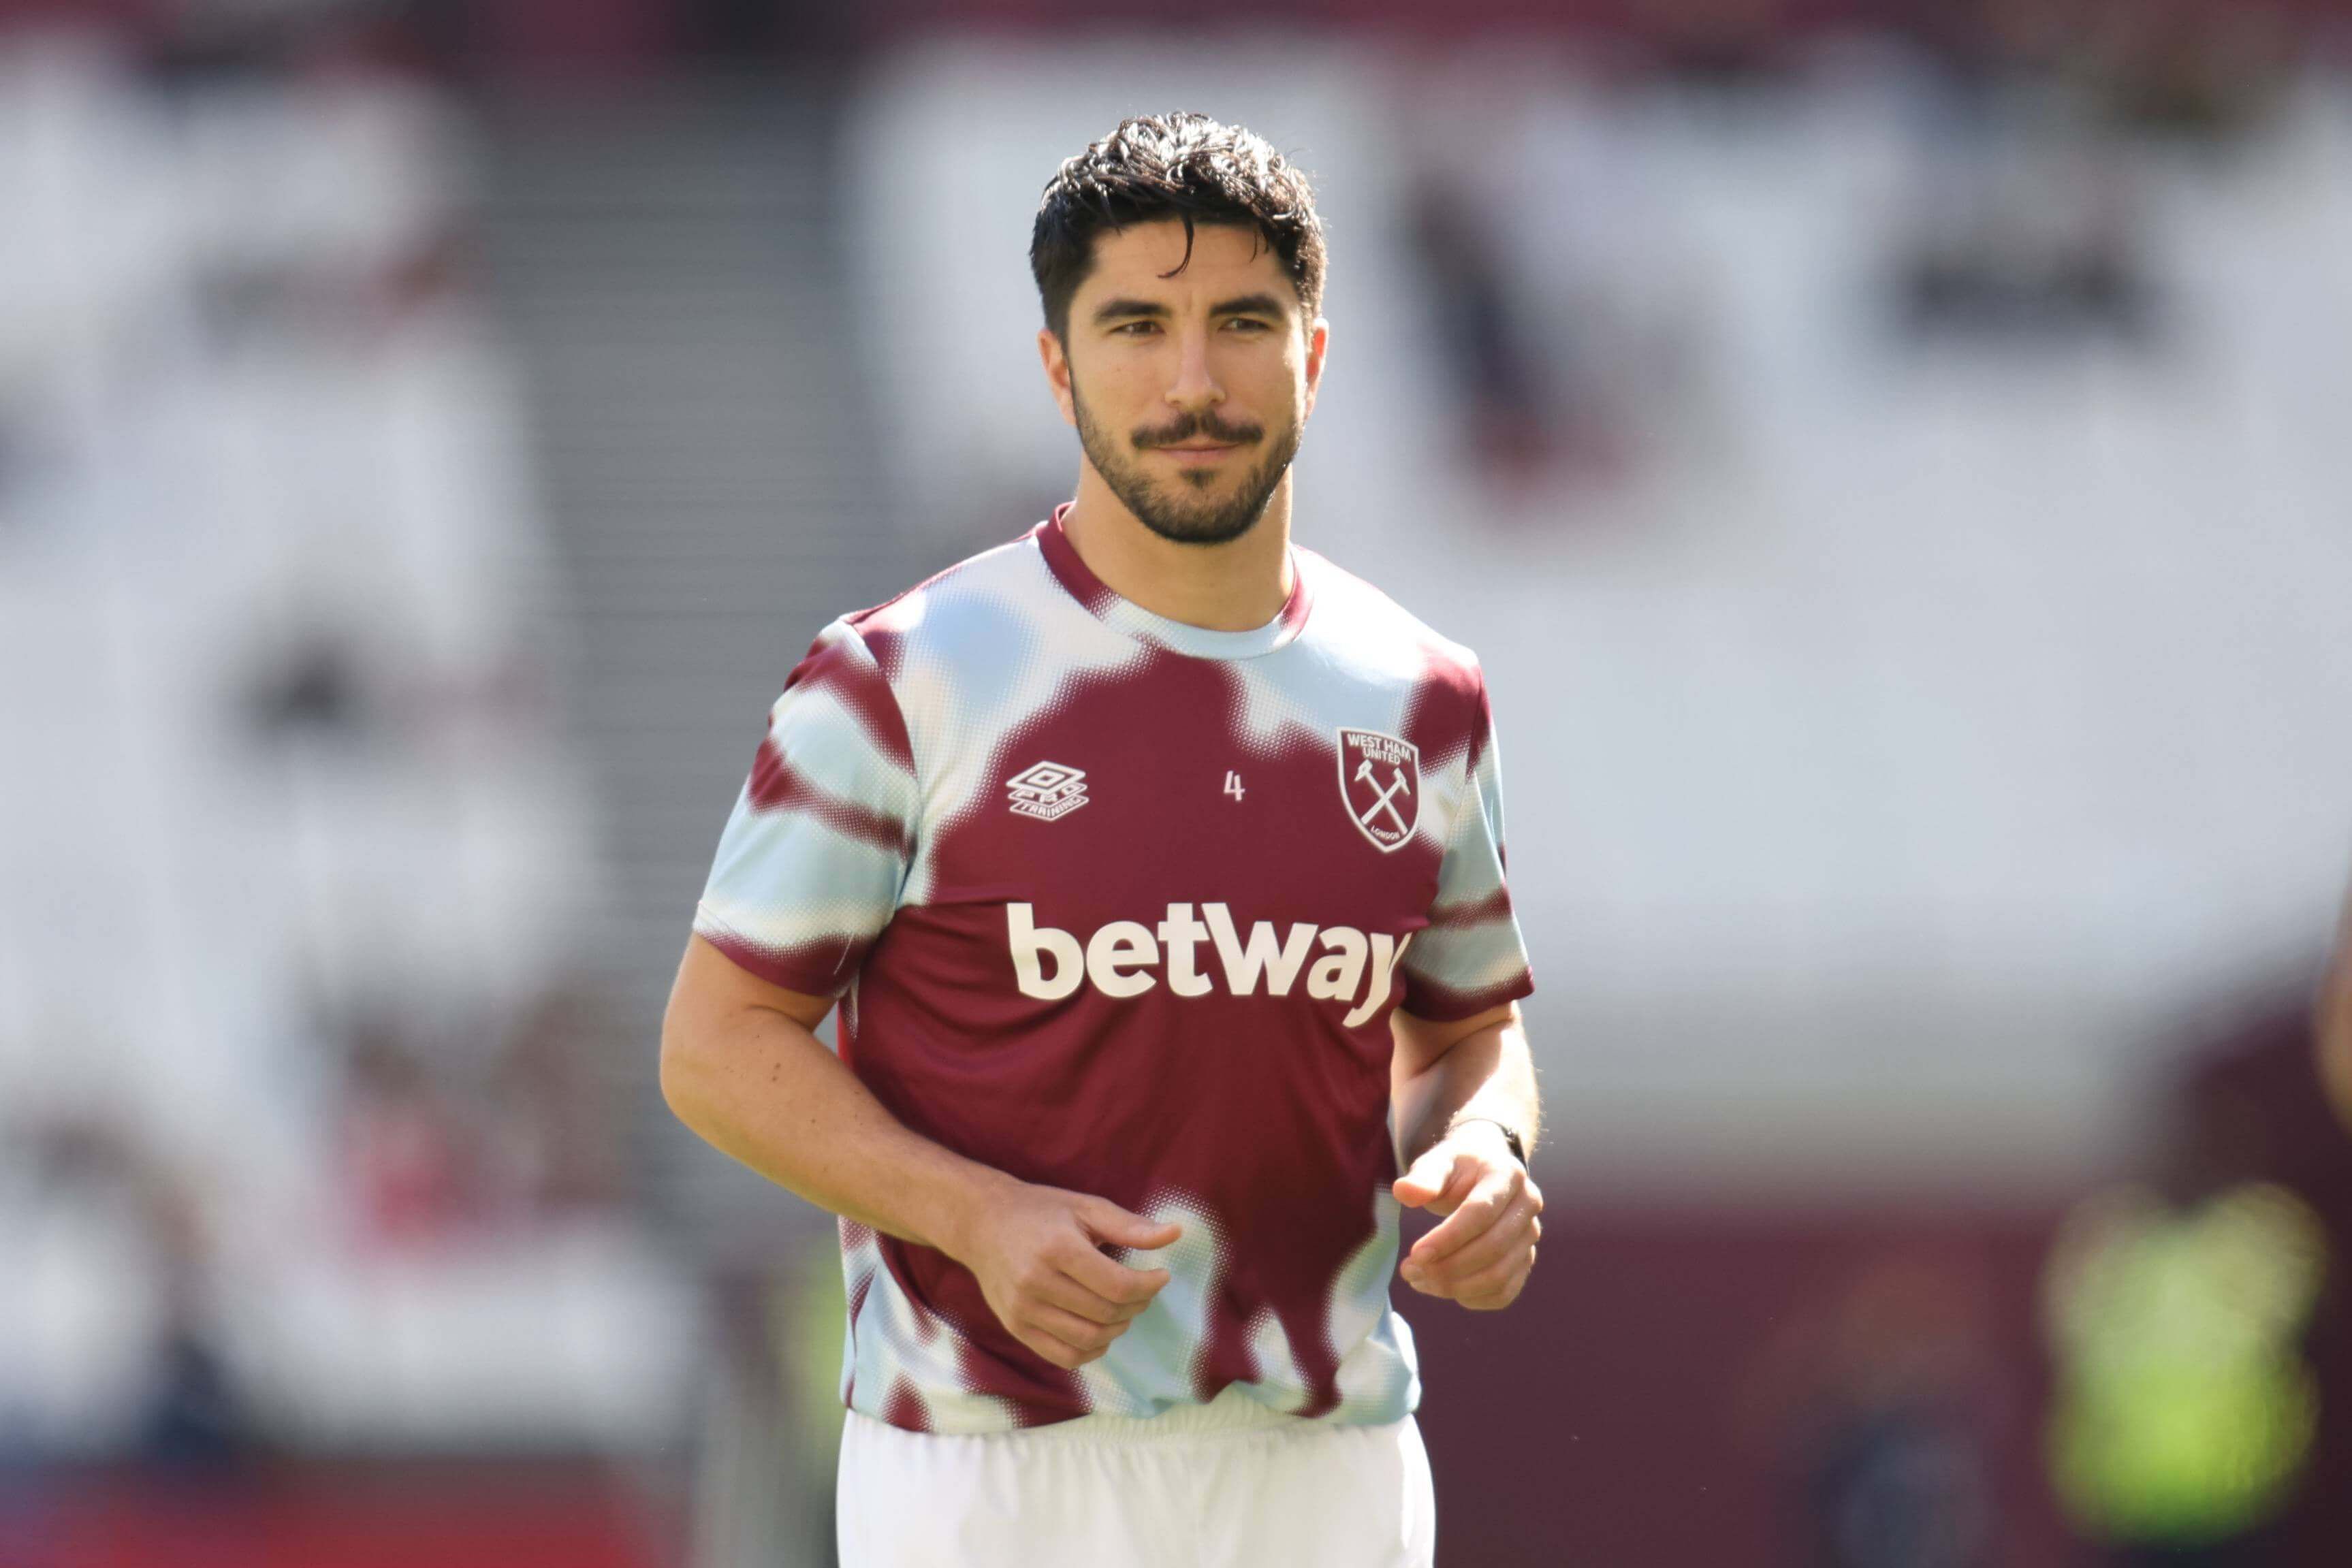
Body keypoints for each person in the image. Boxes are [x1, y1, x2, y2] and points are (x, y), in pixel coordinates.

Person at [660, 110, 1543, 1567]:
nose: (1191, 379)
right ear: (1058, 366)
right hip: (996, 1474)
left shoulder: (1420, 694)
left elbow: (1463, 1029)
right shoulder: (902, 678)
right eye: (1136, 324)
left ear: (1312, 354)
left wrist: (1490, 1146)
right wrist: (976, 1217)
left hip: (1332, 1468)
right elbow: (715, 1044)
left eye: (1241, 322)